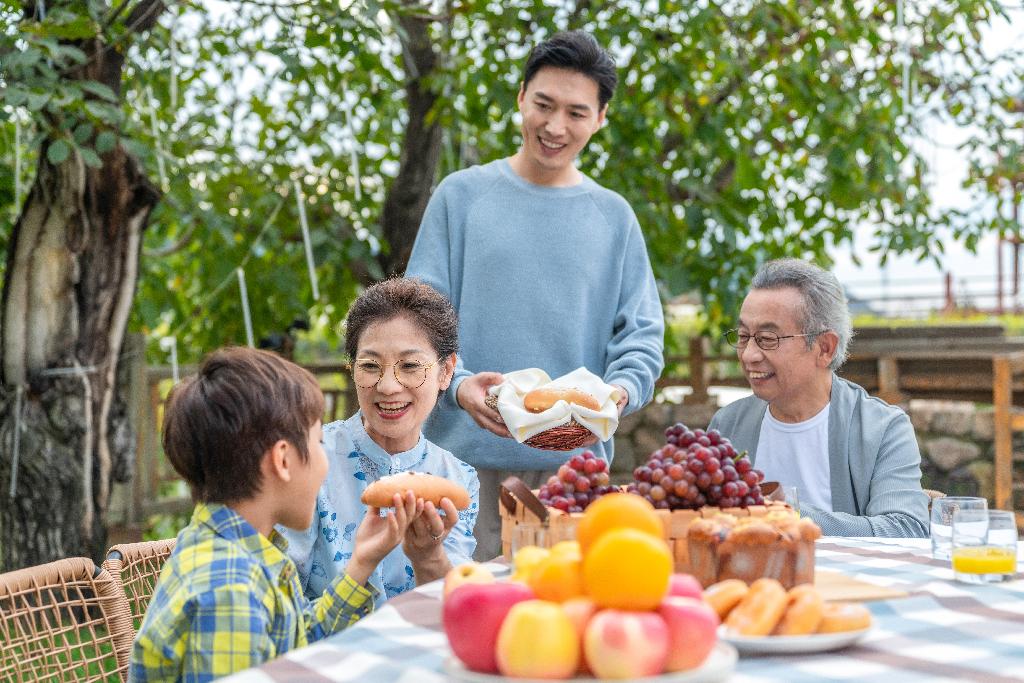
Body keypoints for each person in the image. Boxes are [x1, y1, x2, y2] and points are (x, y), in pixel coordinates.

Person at [405, 30, 664, 560]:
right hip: (456, 470)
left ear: (601, 117)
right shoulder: (461, 197)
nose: (554, 126)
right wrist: (456, 387)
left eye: (576, 112)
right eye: (543, 104)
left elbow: (640, 334)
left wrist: (620, 391)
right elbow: (417, 322)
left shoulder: (613, 216)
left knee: (559, 628)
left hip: (572, 477)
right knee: (453, 623)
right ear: (521, 96)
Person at [131, 347, 419, 682]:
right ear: (283, 461)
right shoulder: (230, 589)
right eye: (318, 442)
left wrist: (362, 562)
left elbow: (294, 646)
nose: (325, 463)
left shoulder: (245, 552)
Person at [280, 278, 479, 604]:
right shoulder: (310, 458)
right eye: (370, 365)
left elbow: (454, 608)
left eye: (410, 365)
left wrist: (428, 557)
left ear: (446, 371)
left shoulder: (459, 480)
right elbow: (282, 604)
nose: (388, 386)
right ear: (352, 367)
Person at [709, 258, 929, 537]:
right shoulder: (727, 425)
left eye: (767, 338)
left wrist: (788, 515)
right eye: (743, 336)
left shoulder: (881, 429)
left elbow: (906, 528)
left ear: (824, 348)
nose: (749, 354)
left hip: (847, 580)